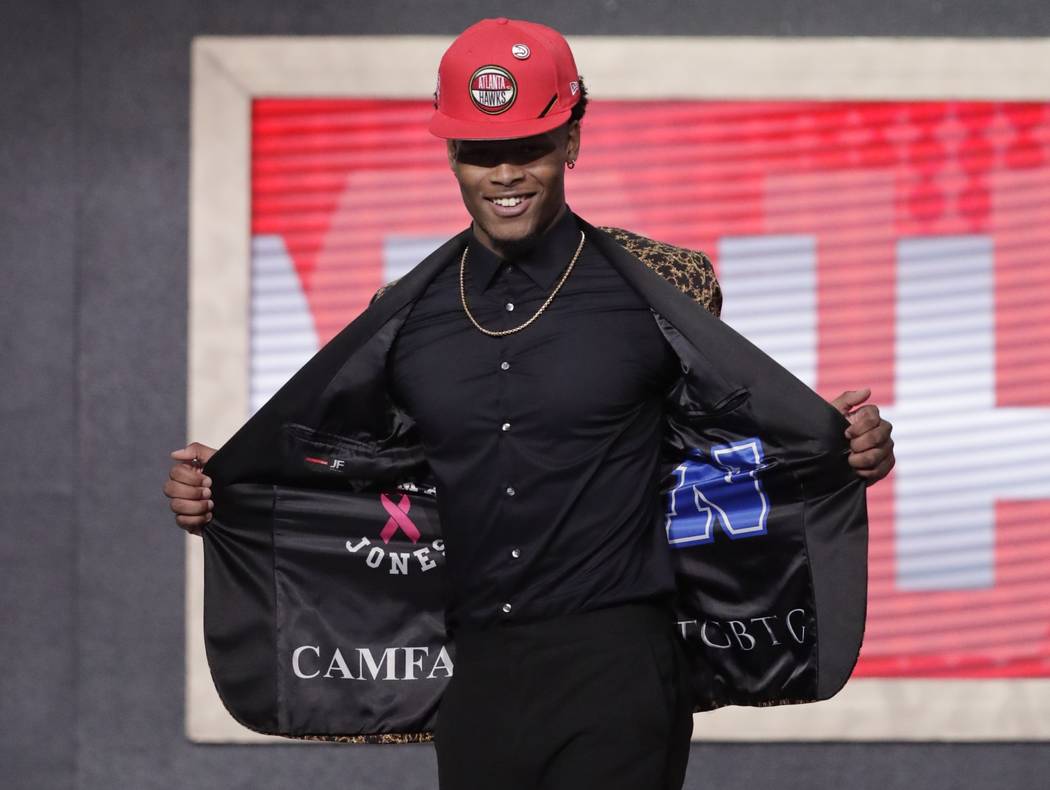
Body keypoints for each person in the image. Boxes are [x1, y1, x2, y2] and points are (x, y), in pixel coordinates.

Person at [165, 17, 894, 790]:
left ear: (571, 143)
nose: (505, 174)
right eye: (480, 152)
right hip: (477, 672)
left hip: (620, 667)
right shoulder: (402, 316)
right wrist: (224, 486)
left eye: (529, 148)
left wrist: (844, 447)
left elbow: (735, 439)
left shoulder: (667, 285)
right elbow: (340, 469)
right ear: (451, 155)